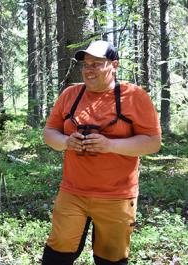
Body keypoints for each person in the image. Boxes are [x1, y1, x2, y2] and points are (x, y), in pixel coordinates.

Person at [42, 40, 161, 264]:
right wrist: (67, 142)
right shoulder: (70, 95)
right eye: (86, 64)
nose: (89, 69)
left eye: (96, 64)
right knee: (56, 255)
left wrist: (110, 145)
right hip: (72, 192)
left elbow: (153, 143)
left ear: (114, 65)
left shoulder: (134, 96)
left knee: (111, 259)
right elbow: (49, 133)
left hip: (117, 197)